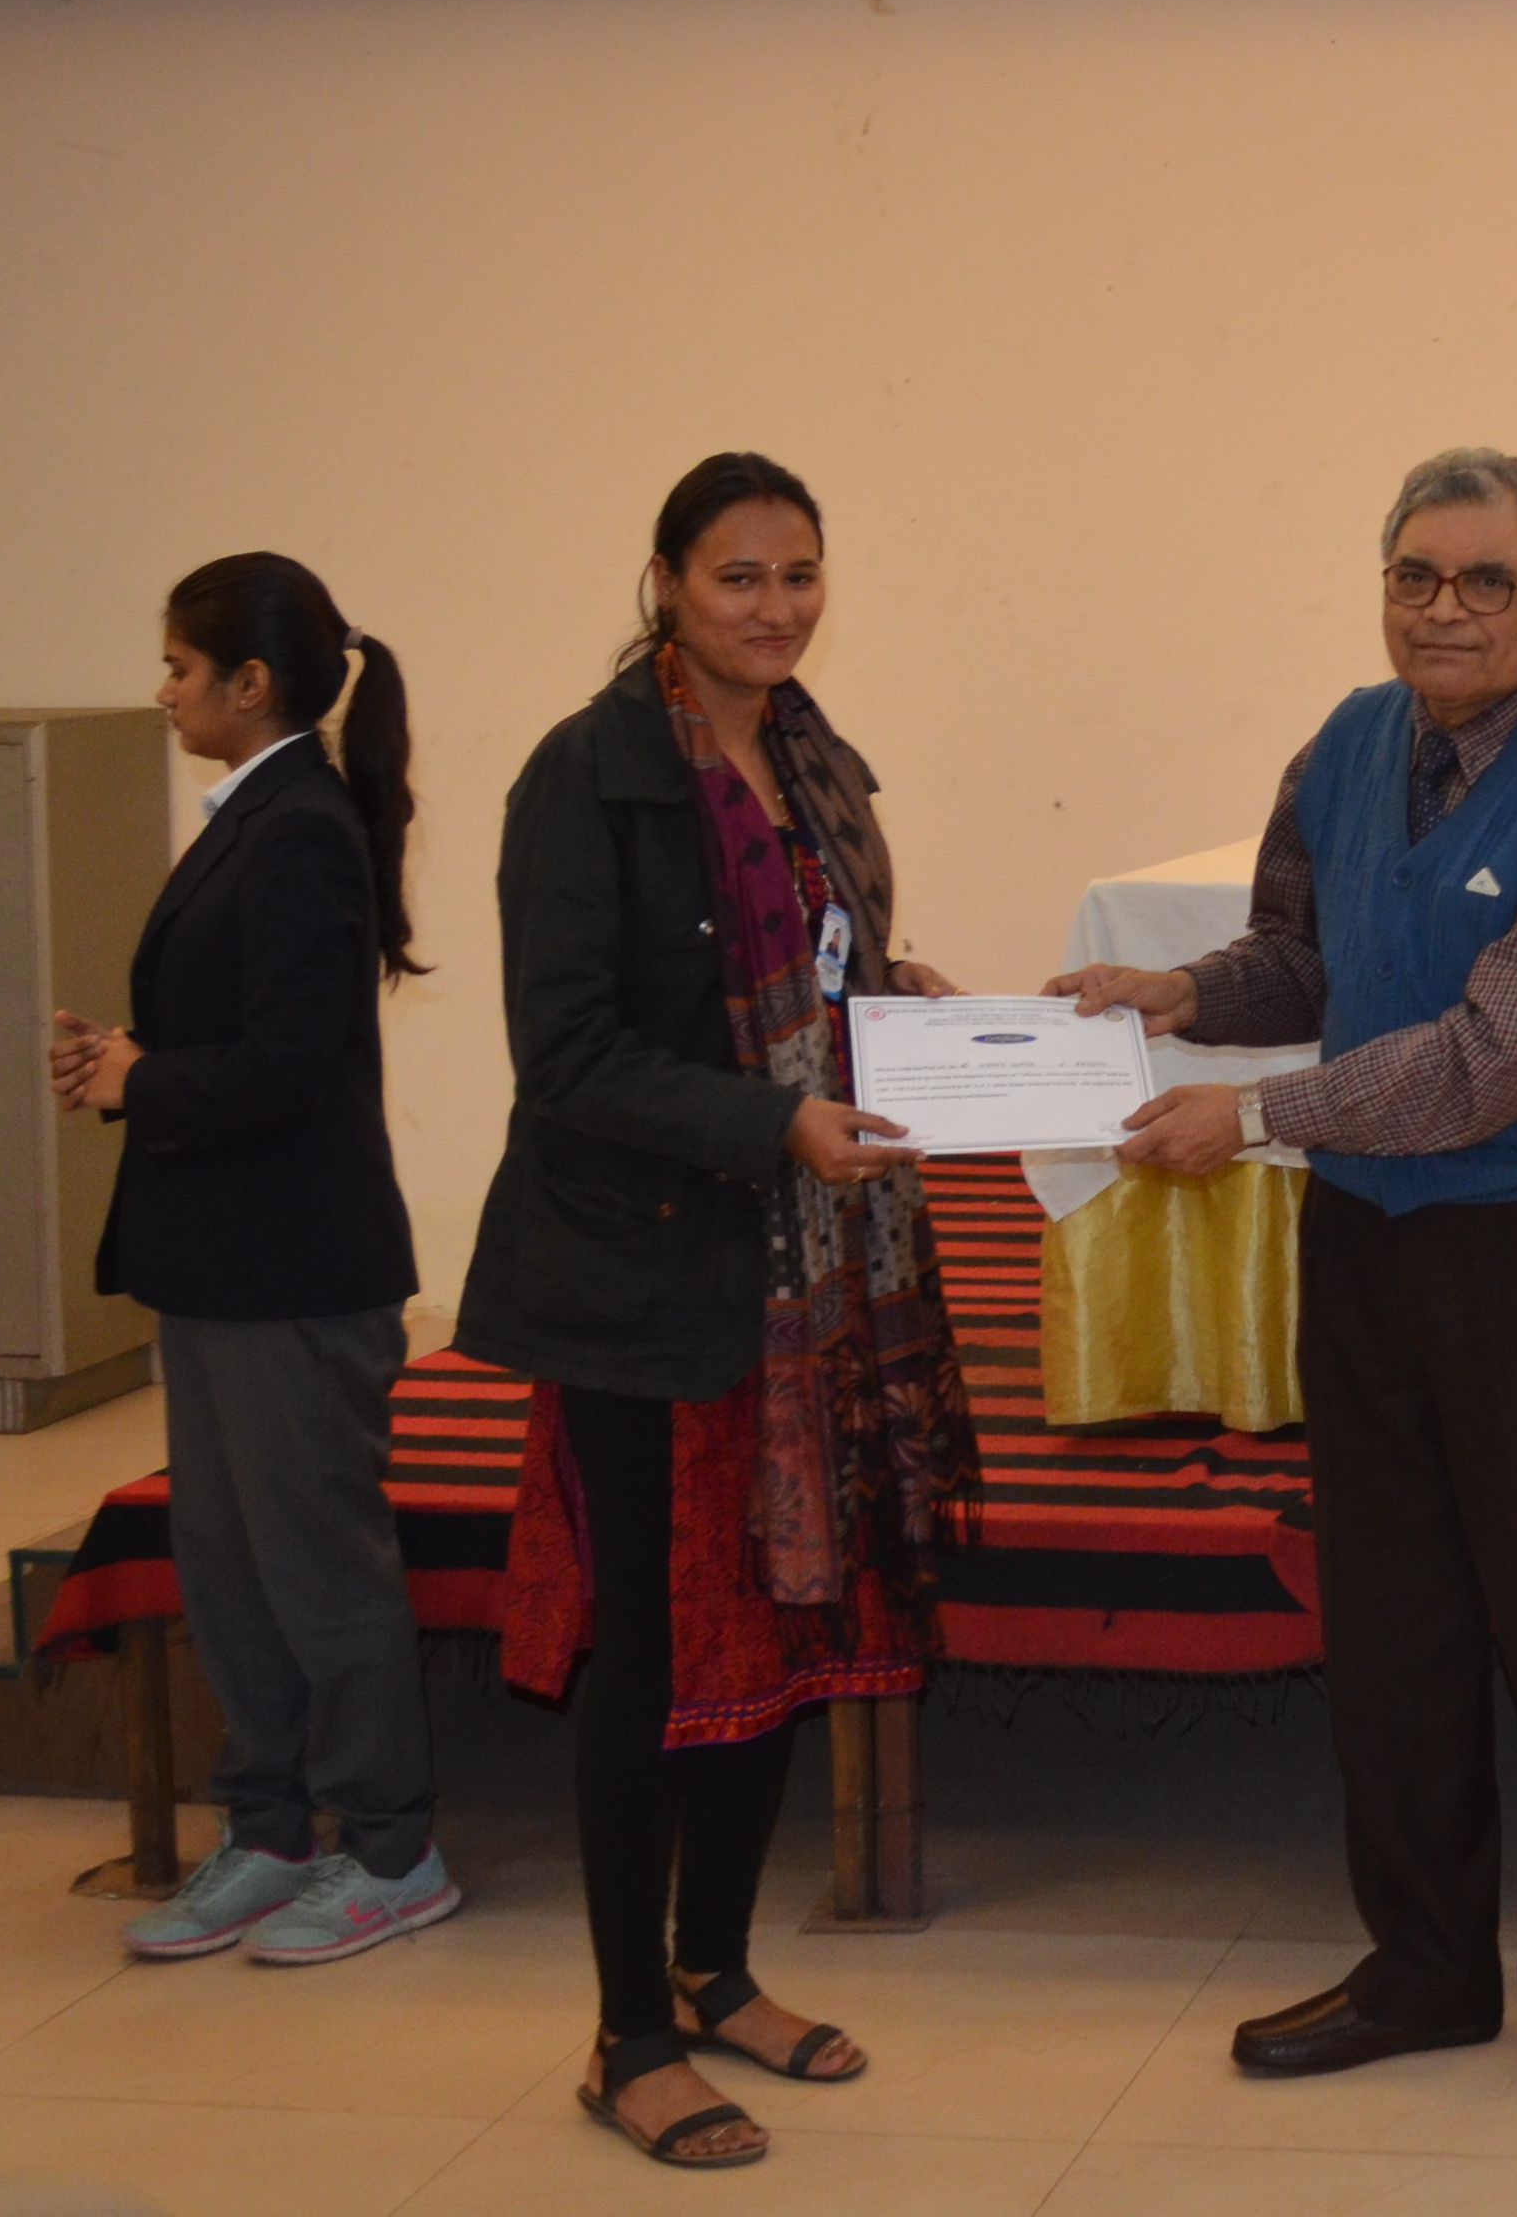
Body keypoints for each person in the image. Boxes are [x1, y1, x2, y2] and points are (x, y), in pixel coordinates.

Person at [1051, 446, 1517, 2124]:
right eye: (1415, 576)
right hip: (1367, 1236)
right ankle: (1424, 1968)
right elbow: (1306, 954)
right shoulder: (1346, 743)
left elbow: (1499, 1055)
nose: (1445, 610)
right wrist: (1183, 992)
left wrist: (1257, 1113)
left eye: (1486, 580)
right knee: (1395, 1619)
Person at [452, 454, 976, 2172]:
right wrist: (773, 1122)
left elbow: (804, 981)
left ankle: (719, 1971)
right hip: (641, 1276)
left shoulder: (811, 759)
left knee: (780, 1608)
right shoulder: (586, 775)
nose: (776, 607)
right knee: (654, 1650)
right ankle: (627, 2037)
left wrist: (897, 1003)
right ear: (669, 583)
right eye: (739, 577)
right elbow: (567, 1053)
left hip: (803, 1276)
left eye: (800, 575)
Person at [52, 553, 451, 1964]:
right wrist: (134, 1059)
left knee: (317, 1571)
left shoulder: (298, 829)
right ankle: (273, 1829)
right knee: (228, 1570)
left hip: (295, 1271)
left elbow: (290, 1063)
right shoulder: (260, 816)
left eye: (179, 667)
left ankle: (393, 1849)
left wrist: (141, 1081)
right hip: (224, 1263)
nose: (164, 692)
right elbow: (248, 1031)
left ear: (251, 682)